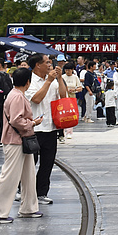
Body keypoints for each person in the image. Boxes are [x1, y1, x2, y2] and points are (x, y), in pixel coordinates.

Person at [0, 67, 44, 224]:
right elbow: (16, 120)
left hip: (20, 140)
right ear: (28, 82)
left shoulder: (15, 94)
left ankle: (29, 208)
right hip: (15, 141)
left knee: (28, 175)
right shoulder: (17, 97)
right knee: (9, 177)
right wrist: (33, 122)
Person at [25, 53, 68, 205]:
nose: (50, 65)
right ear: (38, 65)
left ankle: (42, 192)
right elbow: (36, 99)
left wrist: (60, 78)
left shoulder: (54, 81)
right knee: (30, 163)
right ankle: (23, 190)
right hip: (34, 128)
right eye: (47, 62)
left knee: (47, 162)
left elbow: (63, 96)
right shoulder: (28, 80)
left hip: (51, 126)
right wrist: (49, 81)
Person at [61, 63, 82, 139]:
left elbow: (80, 88)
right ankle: (62, 132)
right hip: (63, 97)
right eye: (66, 70)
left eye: (69, 70)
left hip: (72, 97)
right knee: (63, 115)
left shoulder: (75, 77)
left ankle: (69, 132)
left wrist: (74, 90)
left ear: (72, 70)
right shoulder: (62, 77)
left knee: (71, 115)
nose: (67, 71)